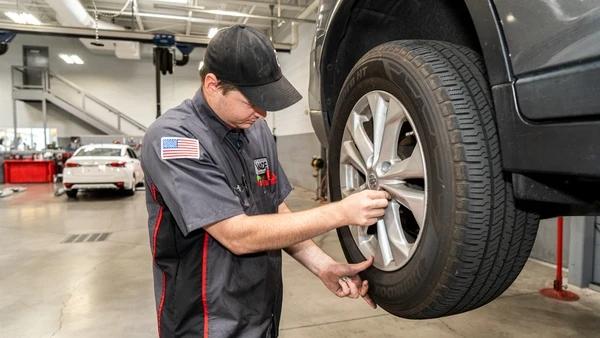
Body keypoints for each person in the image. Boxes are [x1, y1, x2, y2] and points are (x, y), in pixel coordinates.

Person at [141, 25, 389, 338]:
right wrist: (340, 212)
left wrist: (323, 265)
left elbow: (276, 211)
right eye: (252, 101)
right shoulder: (175, 140)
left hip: (262, 312)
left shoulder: (255, 130)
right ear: (212, 85)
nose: (262, 113)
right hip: (205, 322)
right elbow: (237, 235)